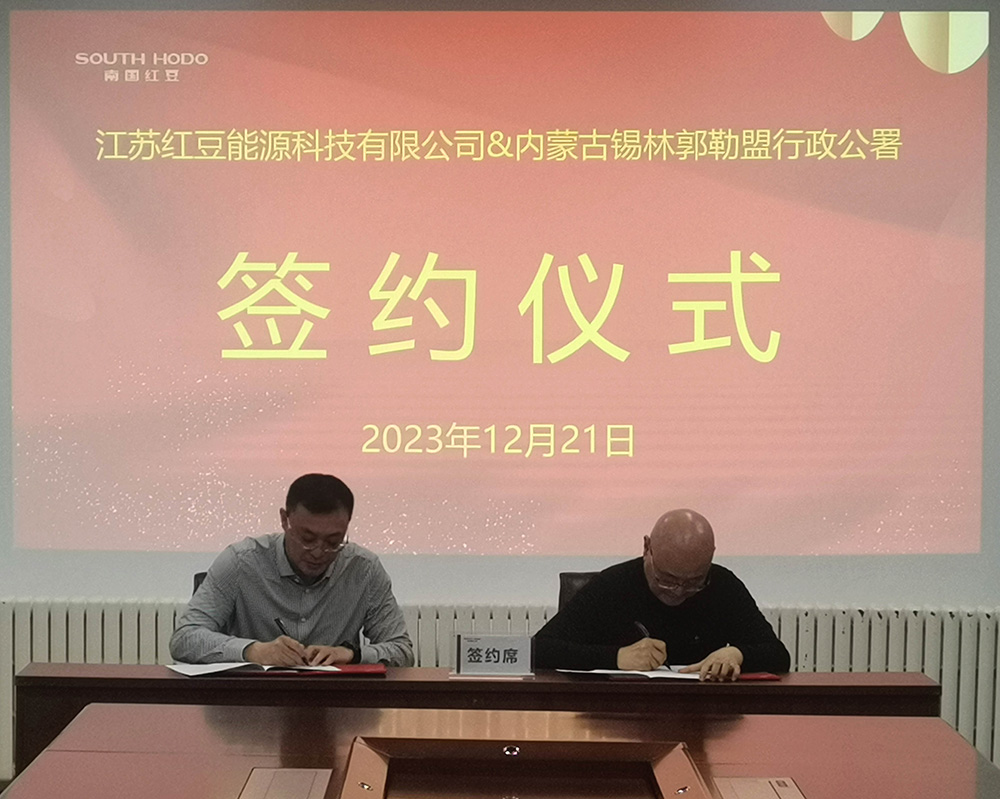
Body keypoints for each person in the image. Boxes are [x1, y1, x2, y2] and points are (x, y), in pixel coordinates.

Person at [170, 473, 414, 667]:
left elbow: (402, 651)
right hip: (250, 702)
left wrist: (352, 654)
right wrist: (253, 651)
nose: (318, 552)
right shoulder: (241, 562)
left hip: (335, 702)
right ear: (284, 520)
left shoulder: (363, 569)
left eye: (333, 542)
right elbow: (184, 639)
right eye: (307, 538)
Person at [533, 509, 789, 680]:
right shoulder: (612, 586)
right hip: (618, 715)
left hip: (702, 716)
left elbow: (778, 656)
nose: (678, 591)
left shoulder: (723, 585)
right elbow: (540, 649)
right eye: (666, 580)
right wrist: (616, 657)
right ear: (647, 548)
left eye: (694, 582)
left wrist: (737, 654)